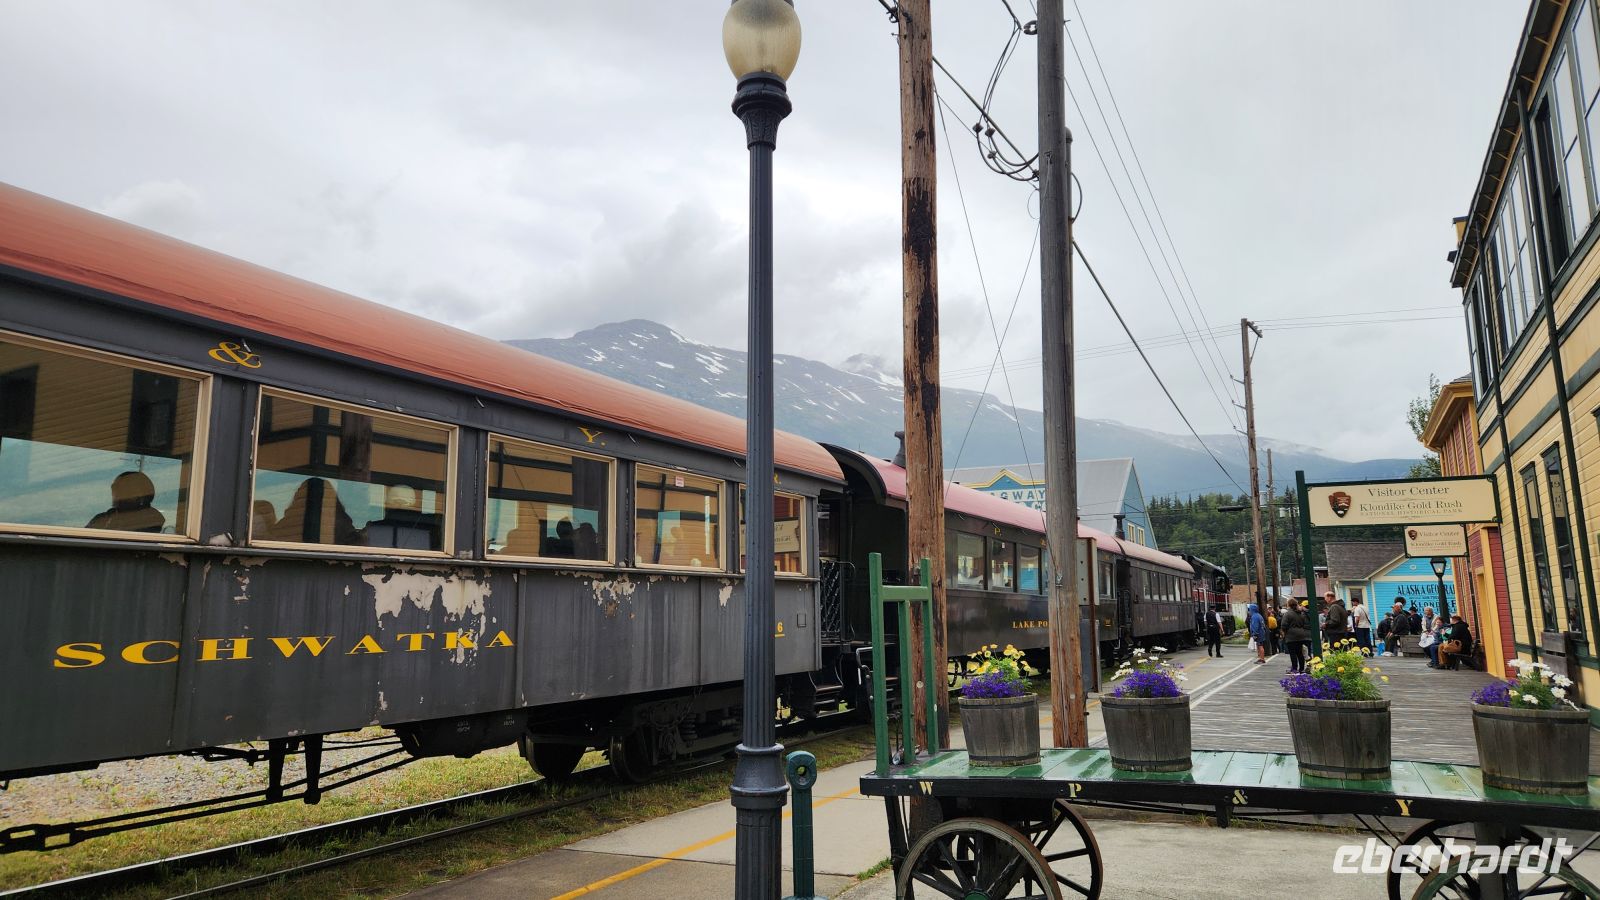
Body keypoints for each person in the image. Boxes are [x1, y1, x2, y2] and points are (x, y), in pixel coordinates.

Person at [86, 470, 166, 533]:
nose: (115, 491)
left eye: (122, 487)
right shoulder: (102, 518)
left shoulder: (152, 519)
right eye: (114, 487)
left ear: (140, 492)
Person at [1282, 599, 1311, 674]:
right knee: (1299, 653)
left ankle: (1294, 669)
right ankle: (1301, 669)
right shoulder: (1300, 613)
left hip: (1291, 636)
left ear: (1289, 605)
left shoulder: (1287, 614)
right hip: (1301, 635)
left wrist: (1285, 632)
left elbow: (1284, 625)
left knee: (1293, 653)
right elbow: (1303, 624)